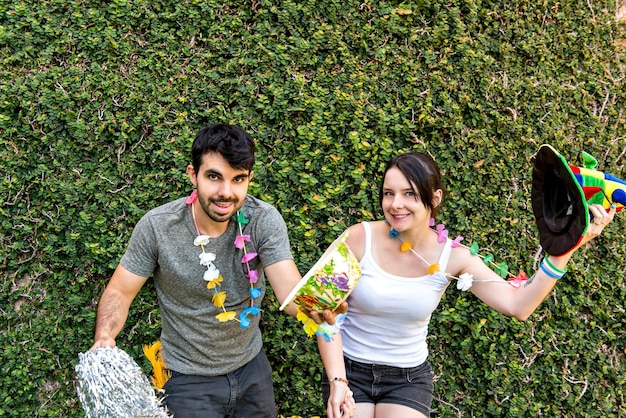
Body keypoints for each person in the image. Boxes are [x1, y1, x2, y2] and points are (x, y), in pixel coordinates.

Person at [315, 151, 616, 418]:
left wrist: (564, 251)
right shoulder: (358, 238)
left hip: (406, 379)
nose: (396, 204)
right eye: (388, 193)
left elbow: (518, 306)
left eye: (410, 194)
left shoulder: (454, 257)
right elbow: (322, 309)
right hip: (349, 369)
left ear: (435, 199)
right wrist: (338, 381)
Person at [91, 124, 354, 418]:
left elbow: (288, 287)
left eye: (238, 179)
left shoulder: (262, 220)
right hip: (186, 379)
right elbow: (119, 291)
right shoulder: (157, 226)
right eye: (214, 177)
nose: (226, 192)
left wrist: (315, 307)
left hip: (252, 371)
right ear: (193, 174)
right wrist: (104, 336)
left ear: (249, 179)